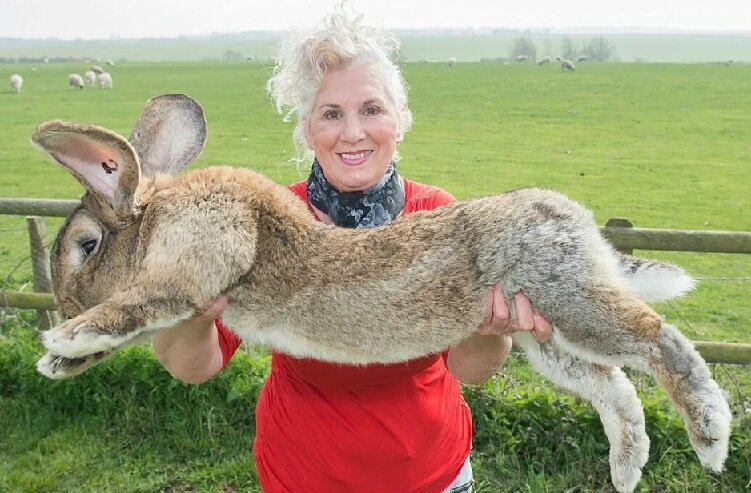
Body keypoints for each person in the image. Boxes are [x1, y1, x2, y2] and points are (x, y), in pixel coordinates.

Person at [153, 7, 552, 493]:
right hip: (302, 477)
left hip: (435, 475)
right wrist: (193, 315)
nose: (353, 133)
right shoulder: (266, 222)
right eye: (331, 114)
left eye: (372, 109)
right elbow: (191, 367)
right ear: (307, 130)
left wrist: (491, 332)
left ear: (399, 121)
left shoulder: (440, 215)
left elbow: (471, 372)